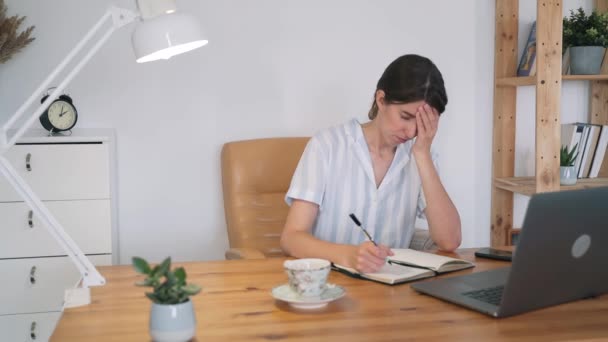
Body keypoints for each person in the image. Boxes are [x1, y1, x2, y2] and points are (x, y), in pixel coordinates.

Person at [280, 54, 461, 274]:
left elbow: (449, 241)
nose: (412, 131)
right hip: (330, 284)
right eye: (405, 116)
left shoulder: (421, 157)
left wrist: (422, 154)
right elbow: (291, 238)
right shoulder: (327, 146)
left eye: (421, 123)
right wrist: (349, 255)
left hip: (393, 293)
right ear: (381, 99)